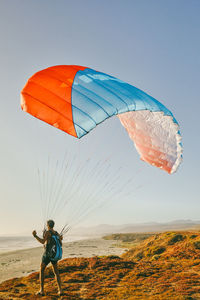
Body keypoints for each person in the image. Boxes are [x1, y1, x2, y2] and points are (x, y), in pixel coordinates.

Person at [32, 220, 63, 296]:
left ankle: (42, 290)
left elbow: (42, 241)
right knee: (56, 272)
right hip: (54, 255)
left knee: (42, 270)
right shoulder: (56, 233)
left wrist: (35, 236)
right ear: (53, 225)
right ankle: (60, 290)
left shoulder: (48, 232)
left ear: (48, 225)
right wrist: (60, 238)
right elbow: (61, 244)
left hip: (47, 255)